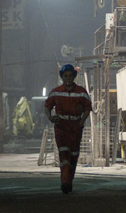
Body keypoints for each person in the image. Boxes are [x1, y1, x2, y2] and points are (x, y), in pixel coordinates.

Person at [44, 64, 92, 194]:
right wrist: (50, 117)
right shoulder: (56, 92)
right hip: (61, 127)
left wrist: (81, 121)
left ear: (74, 76)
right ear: (61, 77)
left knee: (74, 156)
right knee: (64, 154)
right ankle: (65, 182)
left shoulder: (81, 92)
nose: (68, 79)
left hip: (75, 127)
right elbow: (47, 105)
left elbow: (88, 107)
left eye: (70, 76)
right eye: (65, 76)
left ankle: (68, 181)